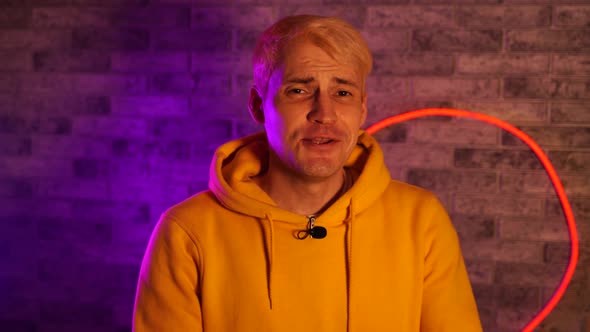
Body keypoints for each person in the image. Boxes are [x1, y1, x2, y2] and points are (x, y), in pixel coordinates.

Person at [133, 15, 482, 331]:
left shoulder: (420, 220)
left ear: (362, 109)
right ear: (259, 105)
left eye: (342, 92)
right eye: (299, 90)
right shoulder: (187, 232)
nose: (324, 113)